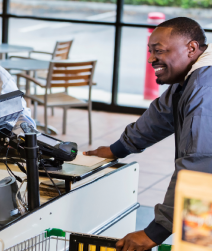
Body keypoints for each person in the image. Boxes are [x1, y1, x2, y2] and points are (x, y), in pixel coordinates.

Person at [84, 17, 212, 251]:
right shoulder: (191, 76)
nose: (151, 58)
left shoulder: (204, 89)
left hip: (205, 194)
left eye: (159, 51)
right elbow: (160, 116)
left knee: (199, 243)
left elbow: (199, 166)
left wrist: (155, 232)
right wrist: (116, 149)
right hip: (204, 198)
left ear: (191, 48)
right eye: (150, 51)